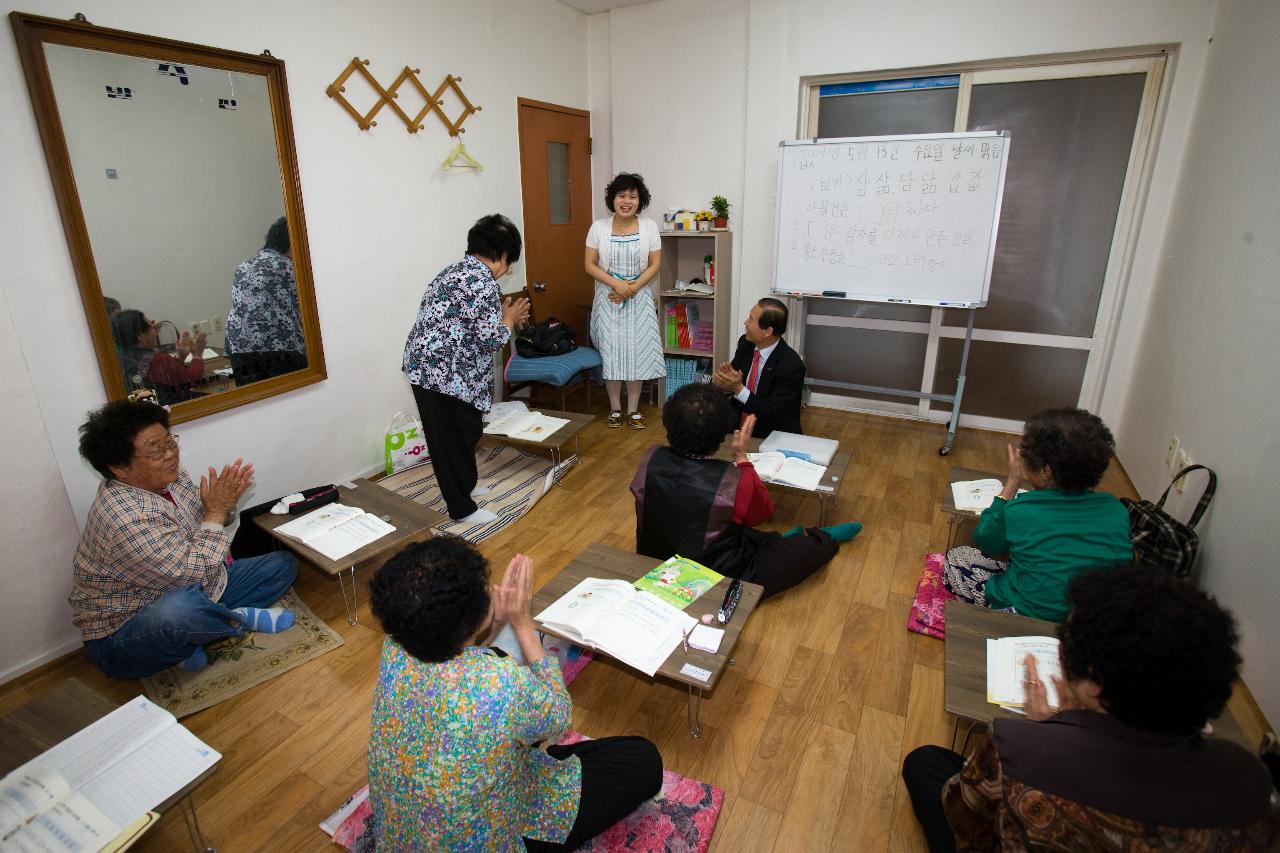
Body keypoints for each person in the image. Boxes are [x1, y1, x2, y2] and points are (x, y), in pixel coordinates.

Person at [902, 568, 1280, 852]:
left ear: (1094, 683)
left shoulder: (1017, 749)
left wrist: (1046, 730)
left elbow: (963, 821)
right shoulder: (1252, 781)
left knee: (924, 763)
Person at [366, 537, 663, 852]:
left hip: (405, 833)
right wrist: (523, 625)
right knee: (640, 758)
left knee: (529, 735)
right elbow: (559, 717)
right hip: (489, 838)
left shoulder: (396, 644)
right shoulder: (501, 684)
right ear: (469, 617)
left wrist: (494, 626)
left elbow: (456, 661)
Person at [71, 399, 297, 679]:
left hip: (194, 584)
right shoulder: (121, 518)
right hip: (127, 630)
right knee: (179, 612)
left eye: (169, 442)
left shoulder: (170, 478)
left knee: (283, 564)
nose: (170, 455)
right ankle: (236, 619)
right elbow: (190, 576)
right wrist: (215, 512)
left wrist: (222, 506)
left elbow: (205, 527)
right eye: (156, 451)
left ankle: (194, 636)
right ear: (118, 467)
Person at [630, 383, 860, 598]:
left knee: (734, 528)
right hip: (711, 573)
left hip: (656, 558)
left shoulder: (650, 457)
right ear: (722, 434)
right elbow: (762, 511)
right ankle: (824, 537)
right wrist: (742, 457)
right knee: (799, 553)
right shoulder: (731, 479)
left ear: (668, 423)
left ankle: (780, 540)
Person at [942, 407, 1133, 621]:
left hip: (1026, 613)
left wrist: (1011, 485)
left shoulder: (1022, 509)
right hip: (1089, 620)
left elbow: (985, 540)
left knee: (956, 558)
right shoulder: (1116, 509)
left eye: (1027, 455)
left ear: (1046, 470)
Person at [403, 214, 530, 523]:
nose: (507, 270)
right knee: (451, 441)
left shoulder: (456, 270)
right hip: (443, 375)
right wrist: (509, 320)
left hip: (434, 369)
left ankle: (466, 487)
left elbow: (470, 327)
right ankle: (461, 509)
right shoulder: (483, 282)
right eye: (509, 262)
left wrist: (501, 316)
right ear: (501, 255)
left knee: (462, 434)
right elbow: (490, 341)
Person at [585, 173, 665, 430]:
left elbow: (655, 265)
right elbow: (589, 264)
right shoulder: (598, 227)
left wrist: (631, 288)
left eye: (632, 196)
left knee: (636, 353)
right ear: (613, 199)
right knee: (612, 354)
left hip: (638, 297)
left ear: (640, 200)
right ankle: (615, 409)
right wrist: (616, 284)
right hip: (608, 298)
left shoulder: (650, 227)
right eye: (622, 196)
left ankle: (633, 410)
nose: (627, 201)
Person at [225, 216, 307, 385]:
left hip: (238, 347)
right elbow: (307, 309)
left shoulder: (244, 266)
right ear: (292, 243)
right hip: (279, 347)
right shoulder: (288, 267)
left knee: (255, 400)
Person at [712, 298, 804, 438]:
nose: (745, 323)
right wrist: (725, 385)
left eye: (751, 319)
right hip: (737, 425)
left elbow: (773, 412)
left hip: (772, 434)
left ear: (767, 331)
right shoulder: (746, 343)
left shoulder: (791, 366)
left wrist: (739, 389)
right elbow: (734, 381)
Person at [111, 309, 207, 406]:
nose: (155, 333)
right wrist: (197, 354)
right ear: (140, 336)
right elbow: (191, 379)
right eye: (152, 328)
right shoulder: (155, 360)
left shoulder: (119, 359)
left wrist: (181, 356)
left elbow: (167, 376)